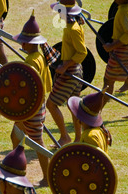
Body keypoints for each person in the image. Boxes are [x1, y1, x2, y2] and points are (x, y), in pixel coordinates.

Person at [10, 11, 53, 187]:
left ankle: (47, 178)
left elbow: (28, 88)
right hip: (33, 106)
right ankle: (14, 168)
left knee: (38, 143)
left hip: (32, 107)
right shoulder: (38, 56)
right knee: (15, 135)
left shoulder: (32, 61)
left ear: (28, 43)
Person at [46, 0, 87, 146]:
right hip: (74, 70)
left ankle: (65, 137)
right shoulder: (71, 26)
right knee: (73, 106)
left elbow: (82, 52)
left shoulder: (73, 29)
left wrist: (65, 66)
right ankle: (78, 139)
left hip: (71, 72)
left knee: (51, 104)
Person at [102, 0, 128, 119]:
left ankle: (94, 113)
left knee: (108, 81)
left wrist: (112, 46)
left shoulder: (125, 11)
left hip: (124, 49)